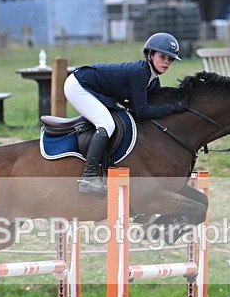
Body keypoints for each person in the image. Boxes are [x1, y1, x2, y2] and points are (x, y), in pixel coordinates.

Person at [64, 32, 189, 196]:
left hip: (93, 87)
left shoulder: (153, 78)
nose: (166, 62)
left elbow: (153, 104)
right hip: (78, 85)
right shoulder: (141, 73)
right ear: (150, 54)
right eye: (162, 56)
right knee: (106, 124)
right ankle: (88, 178)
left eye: (170, 59)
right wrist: (173, 107)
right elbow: (142, 111)